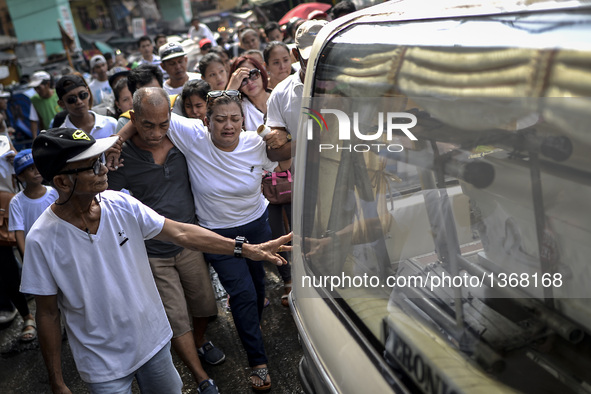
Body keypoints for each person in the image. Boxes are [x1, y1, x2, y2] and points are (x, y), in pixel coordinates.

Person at [21, 127, 290, 393]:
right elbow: (47, 313)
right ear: (62, 182)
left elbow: (181, 232)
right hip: (102, 363)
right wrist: (57, 381)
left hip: (154, 342)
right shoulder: (41, 240)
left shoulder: (121, 205)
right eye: (91, 166)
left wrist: (246, 249)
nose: (103, 169)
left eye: (100, 160)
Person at [114, 87, 291, 391]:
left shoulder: (253, 144)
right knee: (244, 293)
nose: (228, 125)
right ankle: (257, 361)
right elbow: (146, 116)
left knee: (258, 288)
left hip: (258, 225)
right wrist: (117, 142)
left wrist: (281, 138)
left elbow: (284, 159)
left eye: (235, 118)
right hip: (216, 234)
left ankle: (250, 326)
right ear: (205, 121)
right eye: (220, 119)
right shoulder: (193, 137)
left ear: (244, 121)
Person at [107, 88, 225, 390]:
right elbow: (107, 196)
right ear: (134, 119)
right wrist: (116, 145)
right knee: (176, 318)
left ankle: (200, 341)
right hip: (153, 253)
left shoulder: (184, 141)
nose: (157, 133)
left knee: (205, 306)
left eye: (163, 124)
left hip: (191, 243)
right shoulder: (123, 157)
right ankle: (202, 378)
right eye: (148, 125)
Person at [265, 20, 328, 161]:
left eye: (323, 54)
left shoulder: (349, 84)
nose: (317, 61)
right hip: (304, 181)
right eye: (310, 56)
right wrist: (308, 143)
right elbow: (273, 152)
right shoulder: (280, 94)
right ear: (296, 53)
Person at [56, 74, 117, 139]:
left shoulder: (111, 124)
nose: (79, 102)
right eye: (71, 99)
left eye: (82, 95)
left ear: (88, 93)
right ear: (61, 104)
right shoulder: (62, 137)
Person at [227, 56, 269, 131]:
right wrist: (230, 89)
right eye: (243, 80)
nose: (250, 82)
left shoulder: (279, 96)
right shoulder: (240, 109)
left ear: (261, 73)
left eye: (253, 74)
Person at [28, 71, 60, 135]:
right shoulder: (35, 100)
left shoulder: (59, 94)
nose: (37, 91)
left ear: (48, 84)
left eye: (39, 88)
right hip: (50, 134)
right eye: (35, 88)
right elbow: (34, 121)